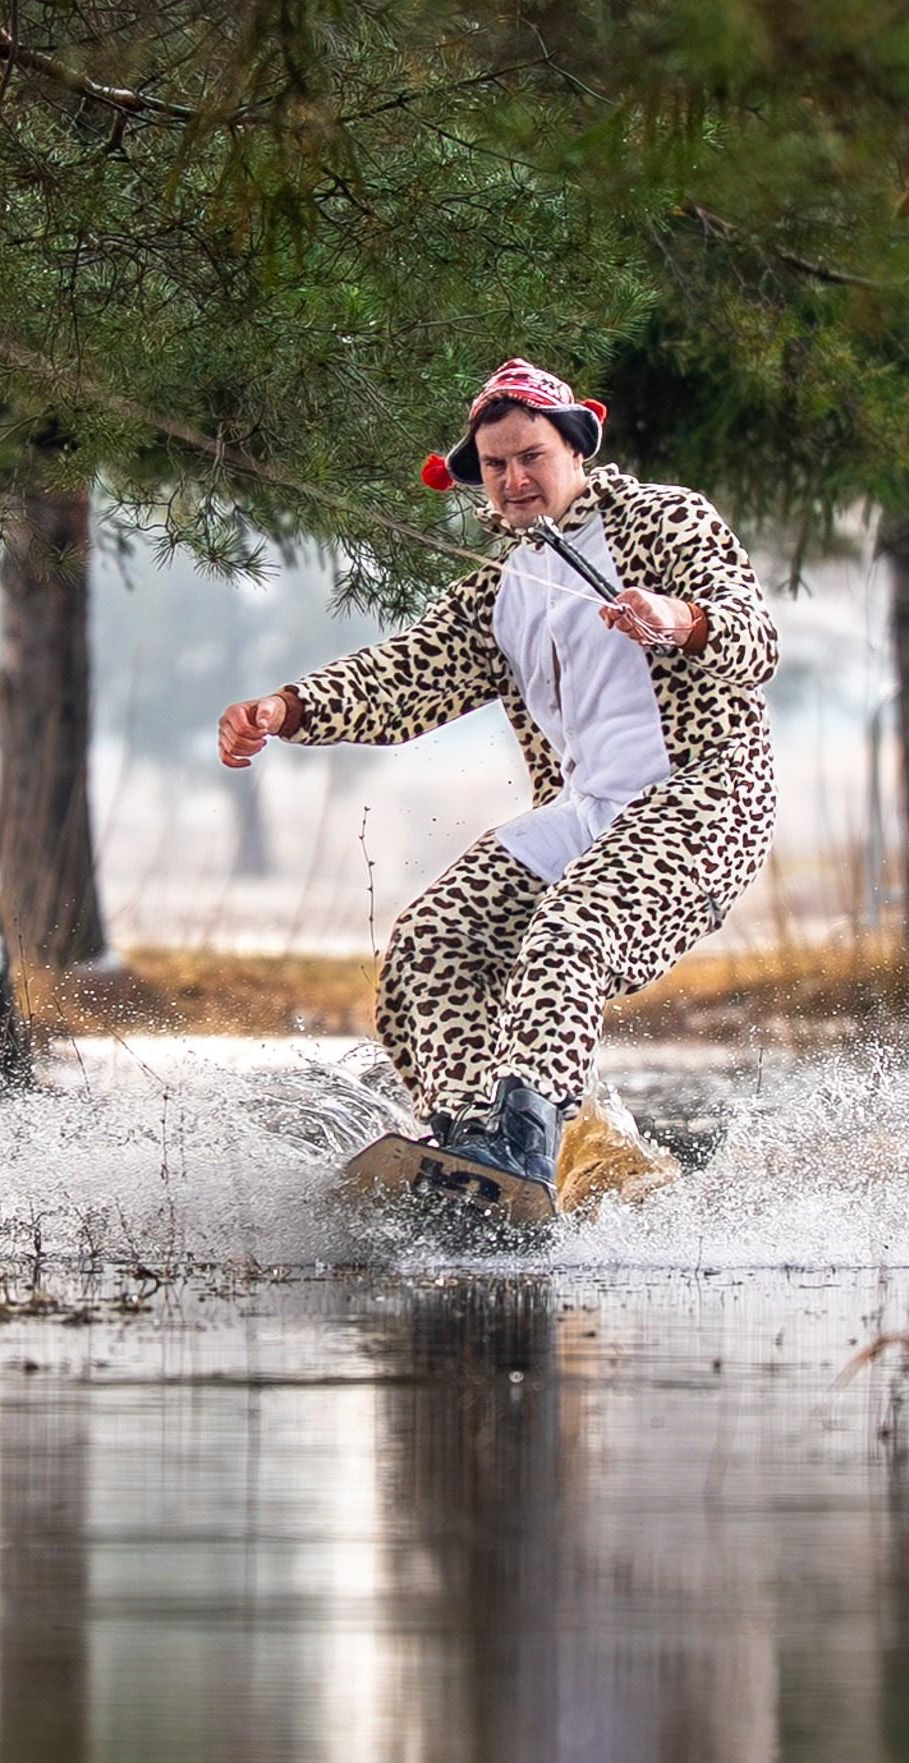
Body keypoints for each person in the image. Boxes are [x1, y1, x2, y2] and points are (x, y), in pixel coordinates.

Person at [217, 358, 779, 1195]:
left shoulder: (665, 522)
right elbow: (404, 677)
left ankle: (523, 1147)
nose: (515, 479)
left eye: (532, 456)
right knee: (430, 941)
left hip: (704, 798)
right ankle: (471, 1142)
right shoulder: (500, 590)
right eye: (495, 465)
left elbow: (758, 640)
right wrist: (285, 710)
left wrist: (680, 619)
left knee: (568, 931)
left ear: (576, 449)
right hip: (587, 814)